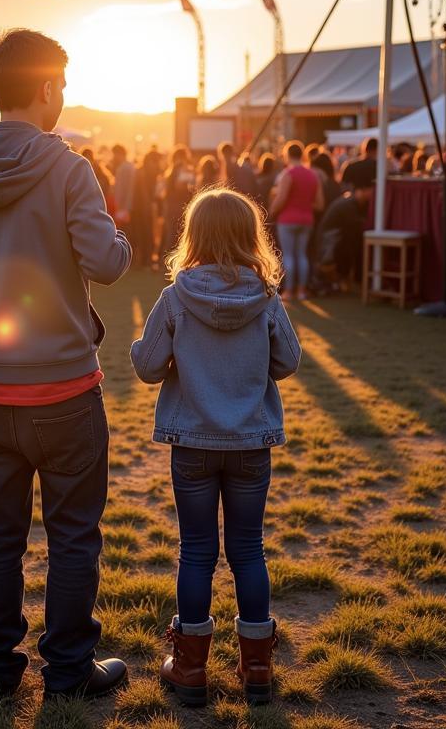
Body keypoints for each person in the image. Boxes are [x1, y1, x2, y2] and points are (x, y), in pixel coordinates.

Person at [0, 28, 132, 701]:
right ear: (46, 88)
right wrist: (118, 238)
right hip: (64, 389)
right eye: (62, 84)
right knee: (73, 538)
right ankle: (69, 672)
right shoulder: (70, 168)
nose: (63, 96)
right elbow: (107, 261)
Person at [130, 188, 301, 707]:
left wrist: (152, 350)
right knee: (248, 549)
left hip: (194, 443)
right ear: (252, 236)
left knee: (197, 551)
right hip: (251, 441)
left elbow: (146, 366)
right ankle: (256, 666)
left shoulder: (175, 298)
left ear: (193, 235)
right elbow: (287, 361)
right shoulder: (267, 299)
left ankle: (190, 668)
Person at [268, 141, 323, 303]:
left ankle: (289, 291)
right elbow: (320, 203)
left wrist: (271, 211)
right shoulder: (313, 175)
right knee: (302, 254)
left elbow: (281, 198)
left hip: (287, 219)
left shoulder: (288, 173)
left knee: (289, 255)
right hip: (307, 219)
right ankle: (302, 291)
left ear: (287, 155)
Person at [316, 184, 373, 289]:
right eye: (370, 190)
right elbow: (355, 224)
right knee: (347, 251)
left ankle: (343, 280)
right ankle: (340, 281)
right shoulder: (349, 204)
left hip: (335, 237)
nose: (372, 193)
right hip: (331, 238)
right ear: (361, 191)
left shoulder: (351, 202)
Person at [162, 146, 195, 254]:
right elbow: (179, 186)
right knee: (177, 234)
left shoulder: (170, 171)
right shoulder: (181, 169)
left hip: (170, 206)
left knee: (171, 233)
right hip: (179, 206)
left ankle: (166, 261)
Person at [110, 144, 135, 230]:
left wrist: (126, 208)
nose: (113, 157)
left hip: (123, 207)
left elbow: (128, 189)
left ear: (120, 154)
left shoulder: (125, 168)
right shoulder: (128, 167)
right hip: (124, 207)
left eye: (115, 154)